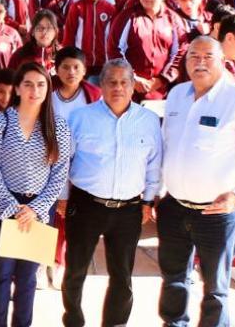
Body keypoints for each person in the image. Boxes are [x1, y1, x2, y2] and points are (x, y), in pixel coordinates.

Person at [157, 36, 235, 327]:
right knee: (173, 281)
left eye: (208, 56)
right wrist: (157, 192)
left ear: (222, 61)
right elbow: (166, 146)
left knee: (215, 289)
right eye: (194, 56)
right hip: (174, 207)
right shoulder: (177, 95)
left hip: (216, 214)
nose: (200, 62)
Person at [60, 59, 161, 327]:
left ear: (133, 86)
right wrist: (61, 196)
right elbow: (63, 161)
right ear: (101, 85)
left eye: (124, 82)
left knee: (122, 275)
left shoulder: (148, 121)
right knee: (75, 270)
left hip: (128, 209)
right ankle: (73, 319)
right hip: (85, 205)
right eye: (111, 82)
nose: (118, 88)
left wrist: (148, 200)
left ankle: (115, 323)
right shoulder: (80, 117)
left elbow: (154, 164)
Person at [0, 62, 73, 327]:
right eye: (28, 84)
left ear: (48, 88)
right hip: (3, 205)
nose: (35, 90)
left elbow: (59, 173)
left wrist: (35, 208)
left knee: (28, 277)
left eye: (41, 84)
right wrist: (12, 205)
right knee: (2, 273)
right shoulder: (2, 120)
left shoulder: (58, 127)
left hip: (39, 209)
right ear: (18, 88)